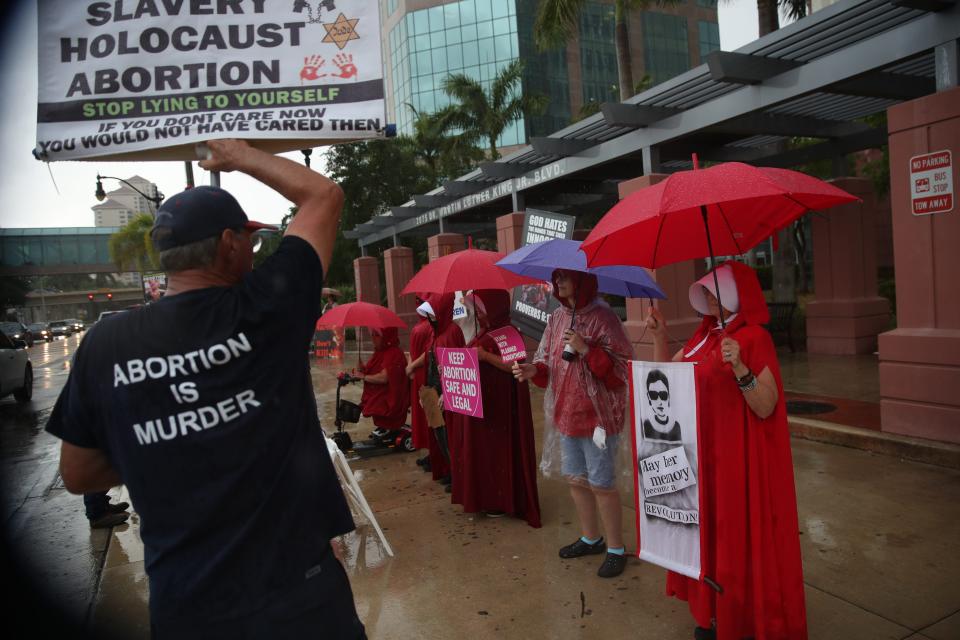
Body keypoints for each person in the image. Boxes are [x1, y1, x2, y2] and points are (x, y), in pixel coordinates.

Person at [45, 139, 366, 639]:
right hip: (298, 599)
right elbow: (323, 195)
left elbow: (79, 473)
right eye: (250, 241)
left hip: (186, 608)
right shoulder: (268, 309)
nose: (253, 251)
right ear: (228, 244)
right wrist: (236, 155)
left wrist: (173, 437)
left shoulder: (105, 343)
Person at [645, 261, 807, 640]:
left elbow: (766, 405)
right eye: (706, 290)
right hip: (701, 455)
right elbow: (665, 381)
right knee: (708, 536)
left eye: (716, 290)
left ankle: (740, 617)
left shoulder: (753, 338)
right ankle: (712, 613)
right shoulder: (703, 336)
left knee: (737, 537)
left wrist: (740, 369)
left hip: (738, 458)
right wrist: (660, 337)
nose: (709, 296)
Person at [513, 269, 632, 578]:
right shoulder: (556, 319)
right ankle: (591, 537)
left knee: (602, 484)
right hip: (566, 415)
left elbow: (621, 372)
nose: (558, 284)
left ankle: (616, 549)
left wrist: (587, 349)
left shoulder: (604, 318)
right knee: (576, 480)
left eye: (565, 278)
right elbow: (547, 363)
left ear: (582, 280)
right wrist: (532, 371)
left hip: (598, 419)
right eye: (556, 279)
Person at [451, 290, 541, 527]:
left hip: (500, 407)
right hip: (482, 405)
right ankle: (484, 497)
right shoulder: (484, 332)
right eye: (477, 310)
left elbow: (516, 365)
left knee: (497, 454)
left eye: (481, 309)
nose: (479, 314)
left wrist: (484, 356)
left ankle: (500, 500)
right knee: (482, 453)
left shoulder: (509, 333)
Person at [358, 327, 409, 437]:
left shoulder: (394, 353)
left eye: (376, 335)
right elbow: (372, 370)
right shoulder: (379, 352)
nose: (373, 338)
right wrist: (363, 369)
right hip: (381, 391)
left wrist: (364, 376)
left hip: (392, 396)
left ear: (386, 337)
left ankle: (390, 428)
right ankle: (384, 427)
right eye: (372, 334)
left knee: (376, 402)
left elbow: (384, 377)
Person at [406, 298, 435, 471]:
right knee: (425, 415)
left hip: (424, 374)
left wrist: (411, 366)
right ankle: (432, 453)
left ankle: (434, 454)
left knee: (429, 415)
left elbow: (428, 353)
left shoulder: (427, 327)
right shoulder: (426, 326)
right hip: (420, 373)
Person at [643, 369, 682, 443]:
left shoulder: (676, 426)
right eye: (653, 395)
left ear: (668, 397)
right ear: (648, 397)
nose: (659, 401)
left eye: (663, 395)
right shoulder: (646, 425)